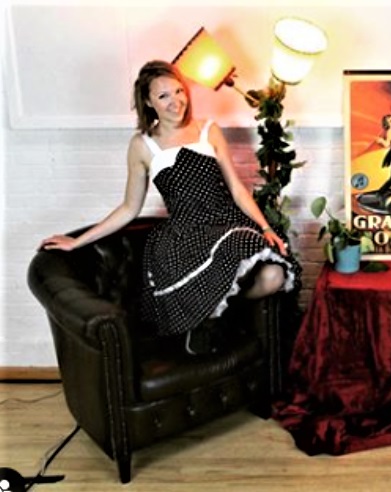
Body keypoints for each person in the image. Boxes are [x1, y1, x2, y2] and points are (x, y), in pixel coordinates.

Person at [39, 60, 302, 355]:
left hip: (228, 223)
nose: (176, 101)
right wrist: (77, 242)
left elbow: (237, 189)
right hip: (184, 236)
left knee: (274, 276)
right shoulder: (142, 145)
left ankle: (216, 316)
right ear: (148, 102)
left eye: (179, 91)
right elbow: (129, 208)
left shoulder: (208, 130)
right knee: (238, 253)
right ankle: (206, 321)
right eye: (163, 96)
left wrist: (265, 227)